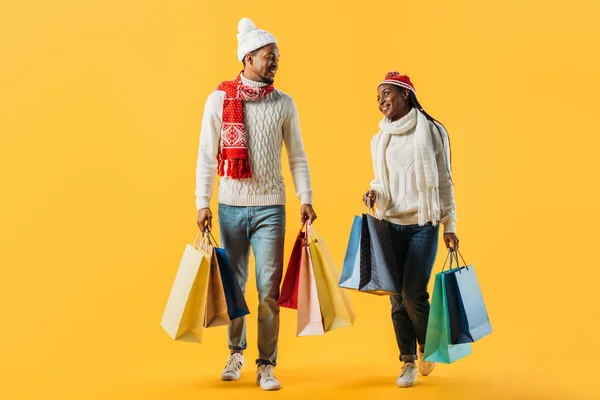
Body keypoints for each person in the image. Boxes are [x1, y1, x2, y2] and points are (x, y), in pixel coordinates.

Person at [195, 17, 317, 391]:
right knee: (233, 287)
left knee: (268, 289)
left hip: (271, 208)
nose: (276, 61)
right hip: (230, 206)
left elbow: (297, 155)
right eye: (269, 56)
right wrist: (202, 201)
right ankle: (235, 352)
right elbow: (205, 156)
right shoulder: (219, 99)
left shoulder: (285, 103)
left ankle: (266, 363)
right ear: (248, 58)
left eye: (277, 56)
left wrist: (306, 197)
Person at [364, 71, 459, 388]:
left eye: (386, 93)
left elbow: (444, 181)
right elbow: (381, 181)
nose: (381, 101)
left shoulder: (431, 131)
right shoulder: (379, 139)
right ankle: (407, 362)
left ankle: (427, 345)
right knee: (395, 297)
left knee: (413, 293)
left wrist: (450, 223)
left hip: (423, 224)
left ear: (406, 94)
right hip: (390, 223)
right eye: (378, 97)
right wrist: (374, 193)